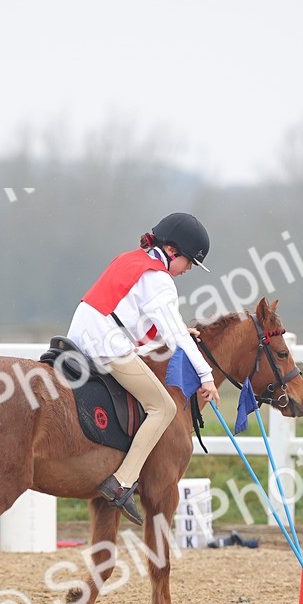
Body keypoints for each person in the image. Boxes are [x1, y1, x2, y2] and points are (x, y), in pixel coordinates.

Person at [67, 212, 220, 525]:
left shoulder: (130, 259)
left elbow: (142, 326)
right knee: (163, 407)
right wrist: (206, 376)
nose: (188, 269)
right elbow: (173, 335)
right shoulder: (160, 279)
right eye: (189, 262)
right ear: (174, 252)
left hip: (80, 335)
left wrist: (176, 331)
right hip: (104, 345)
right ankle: (122, 482)